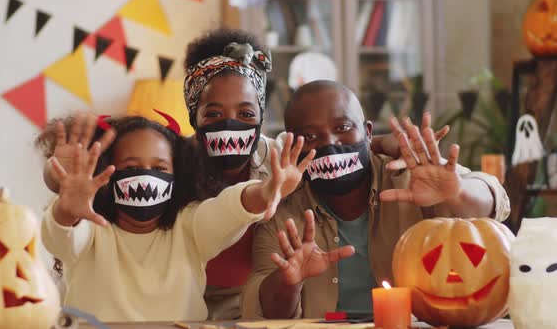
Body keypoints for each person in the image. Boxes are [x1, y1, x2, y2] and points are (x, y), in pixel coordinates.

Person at [182, 28, 450, 320]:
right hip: (193, 305)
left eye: (246, 114)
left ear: (260, 117)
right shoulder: (171, 164)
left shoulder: (280, 158)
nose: (230, 125)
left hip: (251, 308)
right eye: (214, 114)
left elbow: (326, 145)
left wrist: (383, 143)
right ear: (194, 115)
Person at [241, 80, 510, 319]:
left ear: (368, 132)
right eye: (310, 137)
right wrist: (289, 280)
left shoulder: (411, 177)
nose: (330, 143)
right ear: (292, 144)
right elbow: (268, 314)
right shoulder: (282, 213)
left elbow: (495, 203)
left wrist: (457, 192)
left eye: (343, 127)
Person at [38, 114, 314, 322]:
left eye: (159, 167)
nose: (146, 176)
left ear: (176, 175)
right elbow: (60, 236)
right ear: (107, 173)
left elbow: (227, 210)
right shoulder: (91, 228)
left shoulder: (188, 225)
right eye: (131, 167)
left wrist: (266, 191)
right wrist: (68, 208)